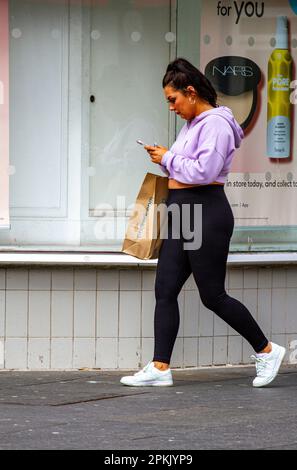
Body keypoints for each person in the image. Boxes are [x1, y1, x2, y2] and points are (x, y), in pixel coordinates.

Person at [120, 58, 286, 388]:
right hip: (183, 210)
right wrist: (166, 157)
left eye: (173, 99)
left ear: (191, 92)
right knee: (165, 288)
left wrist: (166, 157)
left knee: (212, 295)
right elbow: (186, 167)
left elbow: (204, 172)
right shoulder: (193, 124)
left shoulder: (216, 125)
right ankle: (160, 366)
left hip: (206, 212)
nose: (172, 107)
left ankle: (267, 350)